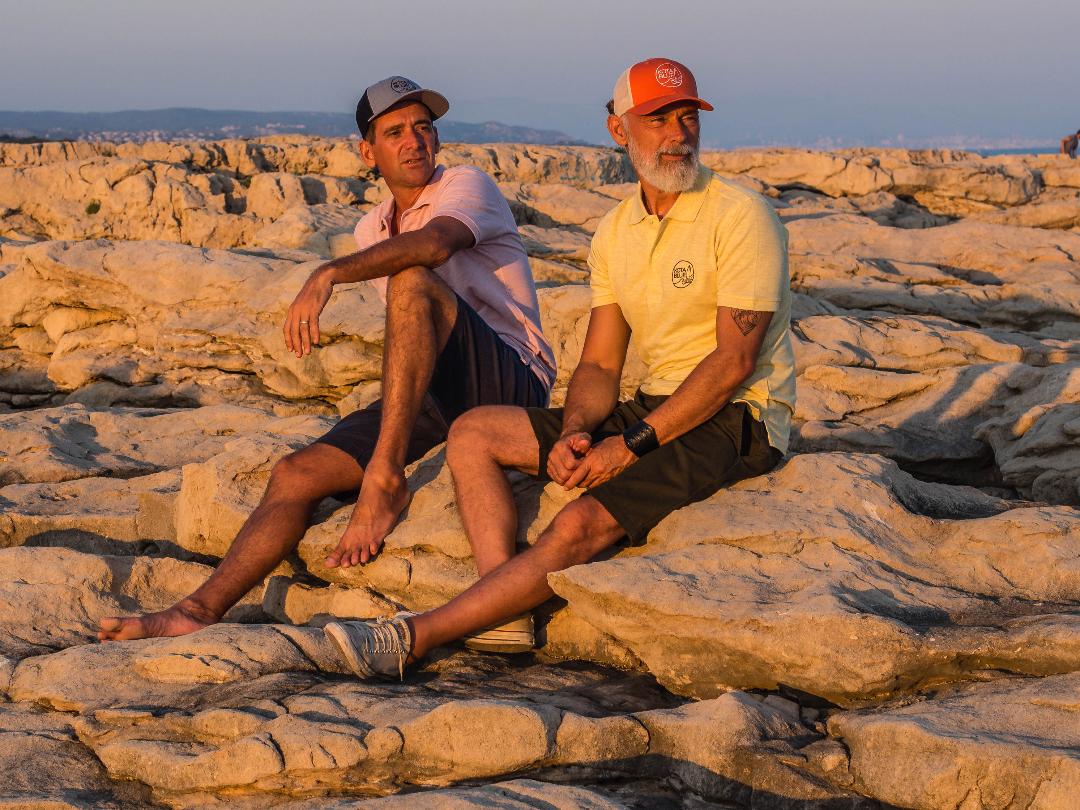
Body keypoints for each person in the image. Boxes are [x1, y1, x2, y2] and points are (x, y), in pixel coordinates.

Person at [321, 58, 797, 678]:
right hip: (656, 401)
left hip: (740, 418)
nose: (677, 133)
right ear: (619, 131)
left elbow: (733, 362)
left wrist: (629, 446)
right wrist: (576, 429)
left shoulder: (740, 216)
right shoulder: (616, 230)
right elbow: (600, 360)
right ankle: (503, 602)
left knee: (578, 522)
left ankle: (413, 636)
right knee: (474, 433)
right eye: (657, 119)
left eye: (686, 116)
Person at [98, 75, 556, 642]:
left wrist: (328, 271)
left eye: (423, 127)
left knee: (413, 280)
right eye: (395, 132)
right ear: (369, 152)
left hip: (512, 378)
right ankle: (195, 611)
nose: (414, 141)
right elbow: (413, 342)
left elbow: (435, 247)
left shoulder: (467, 185)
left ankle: (385, 481)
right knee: (296, 473)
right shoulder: (371, 228)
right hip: (442, 395)